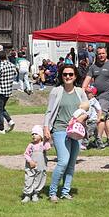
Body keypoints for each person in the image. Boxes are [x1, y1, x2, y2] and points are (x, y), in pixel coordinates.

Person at [44, 64, 87, 202]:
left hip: (76, 131)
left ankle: (65, 192)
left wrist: (82, 118)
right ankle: (52, 192)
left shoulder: (80, 92)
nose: (68, 76)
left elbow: (87, 109)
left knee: (71, 163)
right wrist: (46, 127)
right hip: (60, 129)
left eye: (70, 74)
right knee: (63, 161)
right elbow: (49, 111)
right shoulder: (56, 91)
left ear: (75, 76)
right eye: (65, 74)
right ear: (61, 76)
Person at [82, 47, 109, 147]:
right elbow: (86, 81)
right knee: (105, 117)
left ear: (106, 54)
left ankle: (98, 139)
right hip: (96, 96)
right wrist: (84, 89)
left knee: (100, 116)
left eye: (103, 53)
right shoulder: (93, 67)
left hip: (107, 96)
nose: (101, 55)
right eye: (99, 54)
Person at [21, 125, 51, 203]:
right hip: (31, 166)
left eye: (36, 134)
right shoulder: (31, 145)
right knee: (29, 179)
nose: (33, 135)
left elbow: (48, 147)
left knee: (39, 178)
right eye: (32, 134)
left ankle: (35, 193)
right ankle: (27, 195)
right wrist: (30, 161)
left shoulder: (43, 144)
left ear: (41, 136)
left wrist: (46, 140)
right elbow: (26, 154)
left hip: (41, 166)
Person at [0, 50, 18, 134]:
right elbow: (15, 74)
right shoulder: (12, 65)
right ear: (6, 56)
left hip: (0, 90)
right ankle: (10, 121)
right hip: (8, 90)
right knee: (2, 108)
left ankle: (1, 129)